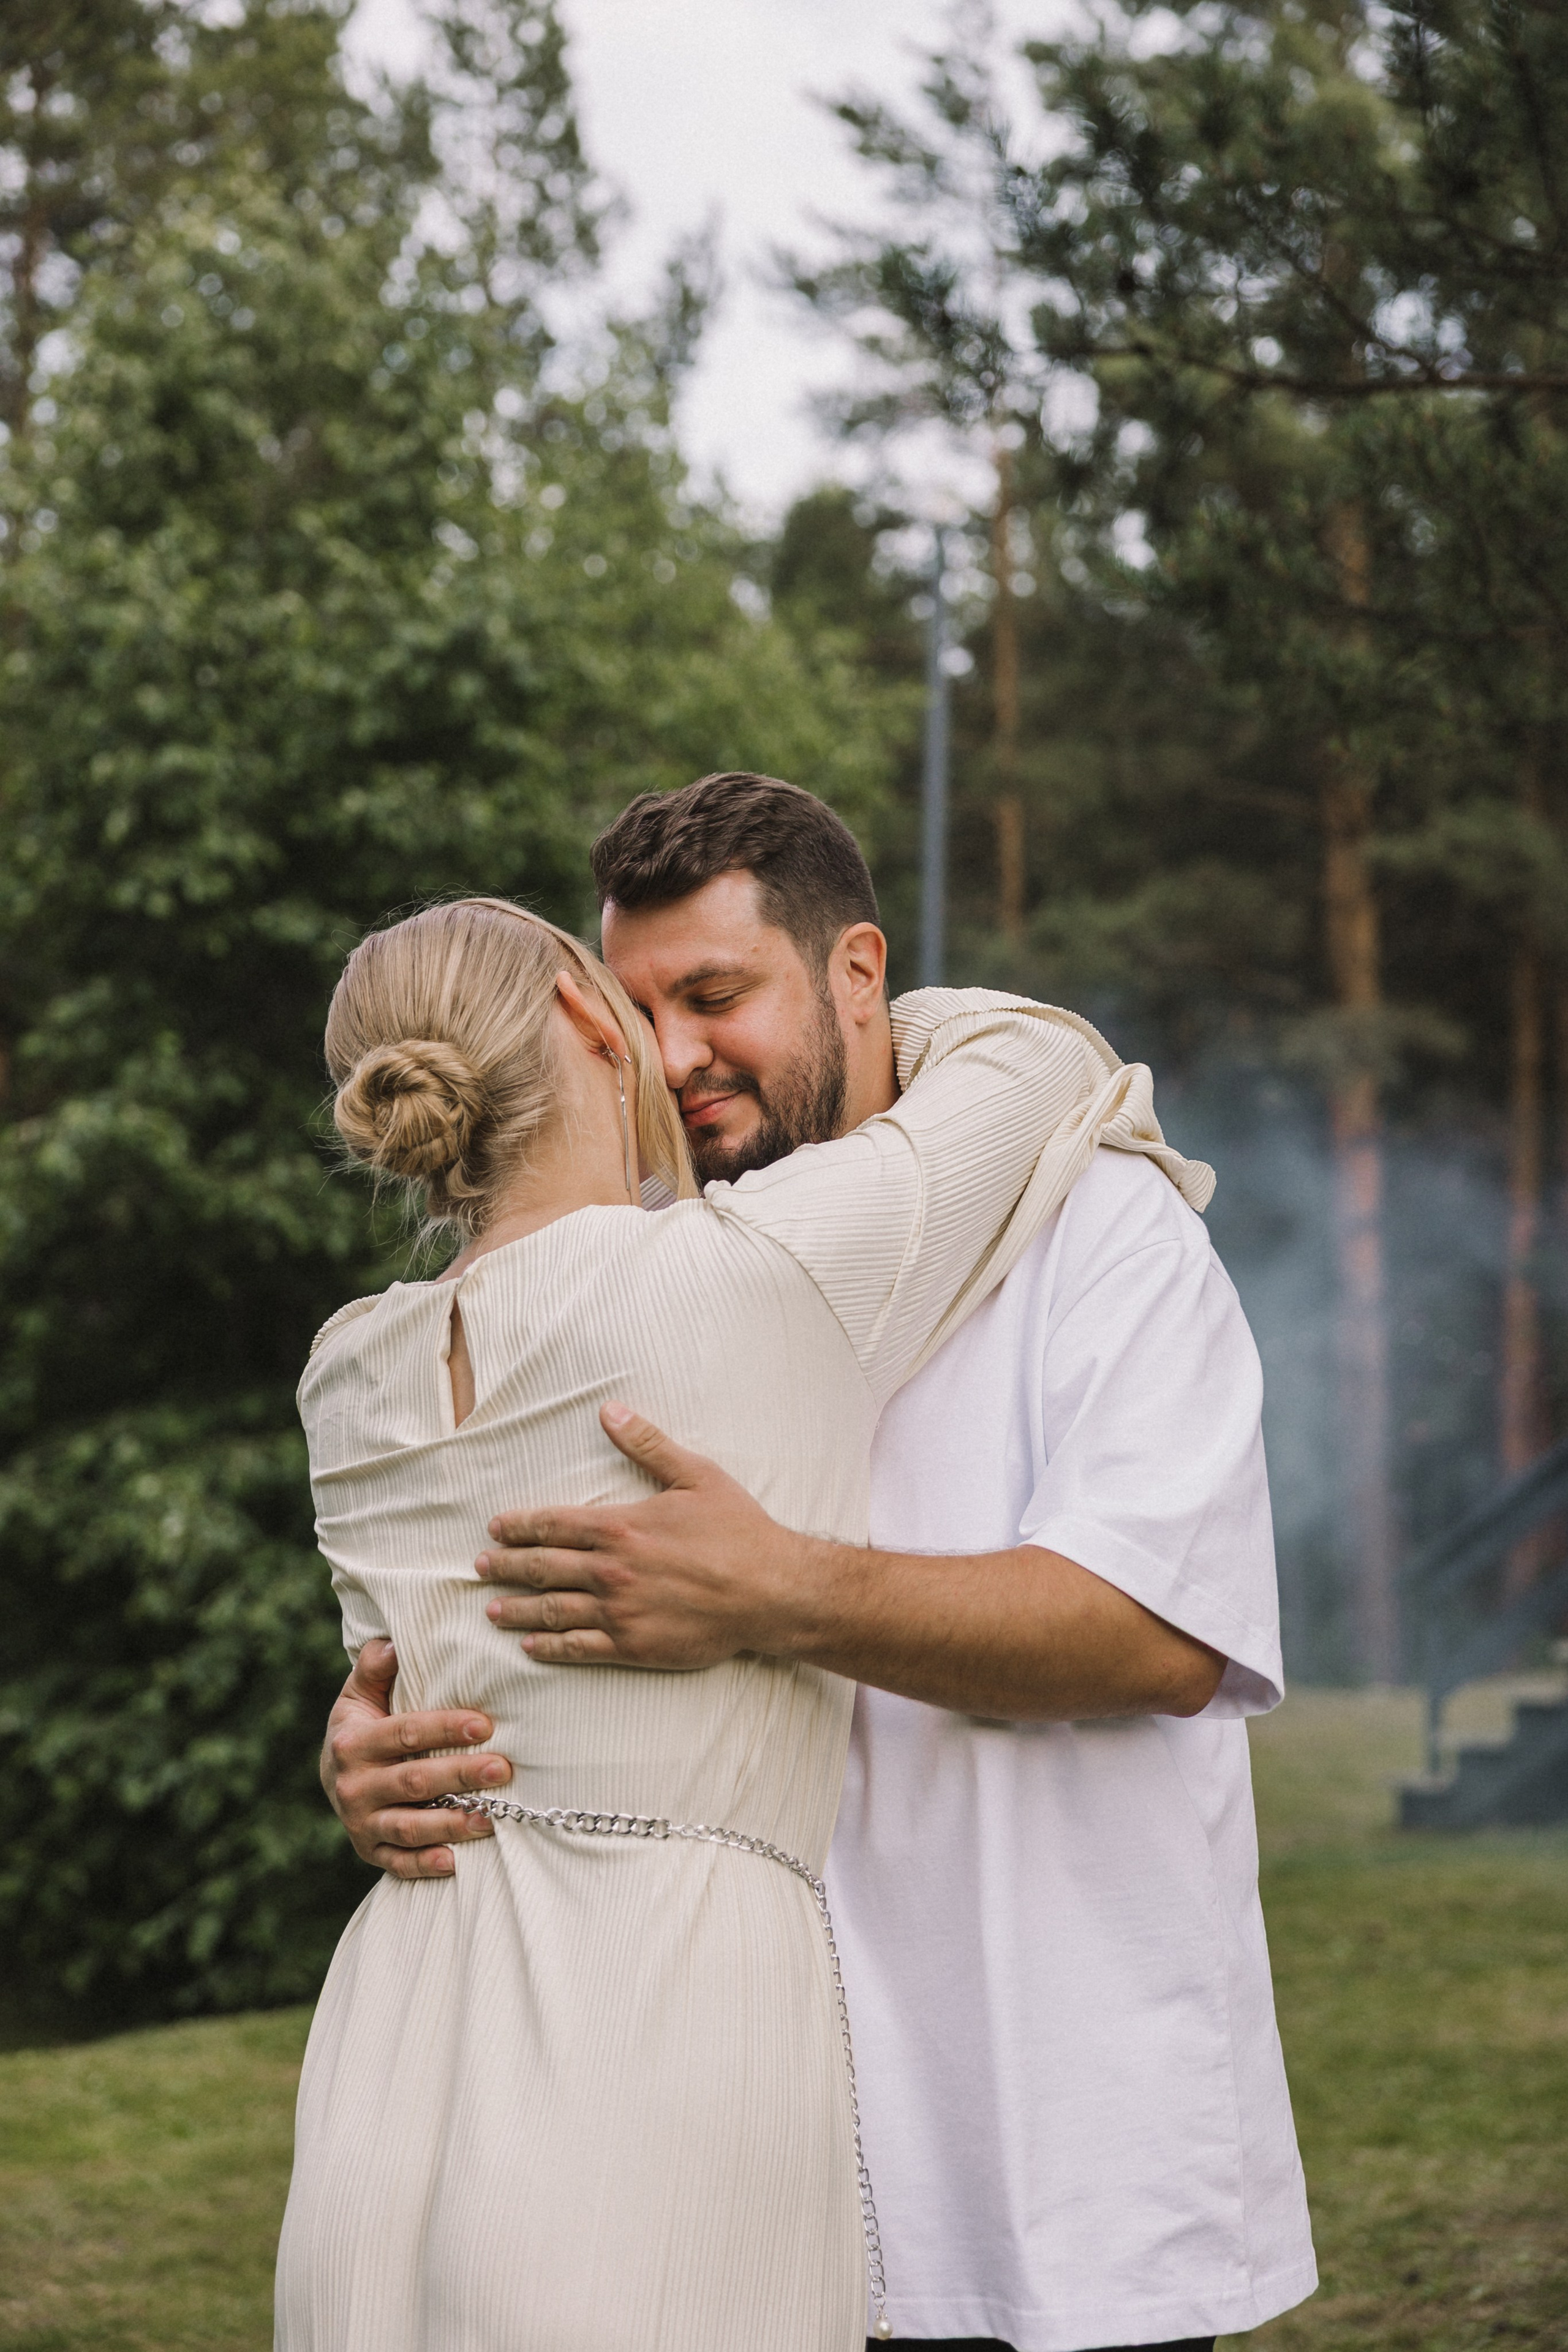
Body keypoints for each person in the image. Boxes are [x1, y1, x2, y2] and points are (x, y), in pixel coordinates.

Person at [319, 775, 1317, 2352]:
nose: (671, 1057)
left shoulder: (1099, 1230)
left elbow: (1158, 1640)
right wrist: (385, 1737)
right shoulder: (652, 1265)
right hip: (726, 2159)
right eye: (635, 1011)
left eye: (715, 996)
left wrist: (778, 1587)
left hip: (1048, 2167)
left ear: (859, 977)